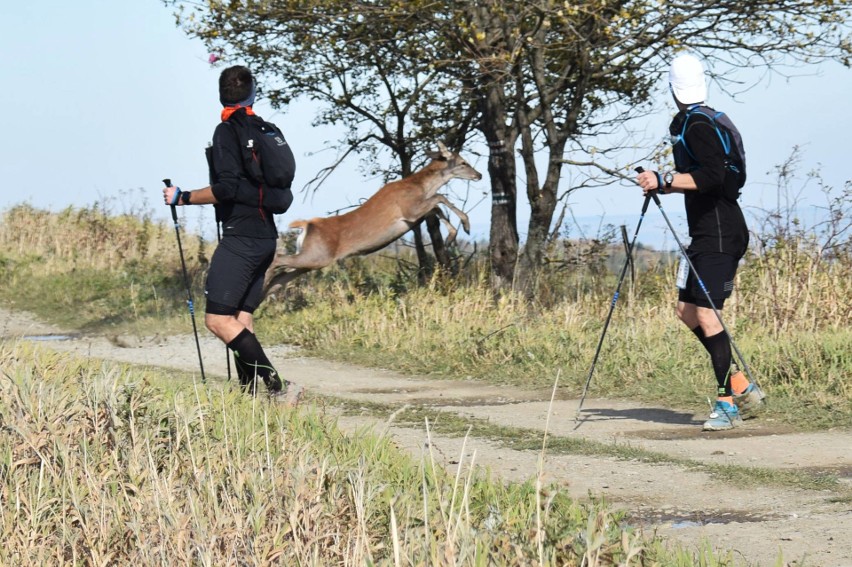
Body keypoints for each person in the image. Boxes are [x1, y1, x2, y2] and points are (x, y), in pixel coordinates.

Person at [636, 53, 765, 431]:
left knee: (707, 314)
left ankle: (727, 405)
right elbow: (707, 178)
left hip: (721, 233)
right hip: (706, 231)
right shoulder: (707, 119)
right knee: (686, 311)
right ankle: (740, 384)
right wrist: (664, 182)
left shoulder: (696, 125)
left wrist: (664, 181)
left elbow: (711, 177)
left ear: (673, 89)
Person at [162, 65, 302, 406]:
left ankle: (278, 388)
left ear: (221, 94)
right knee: (241, 317)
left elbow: (225, 188)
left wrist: (182, 198)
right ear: (253, 92)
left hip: (241, 237)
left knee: (217, 319)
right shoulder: (265, 130)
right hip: (266, 237)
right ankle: (249, 396)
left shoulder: (227, 131)